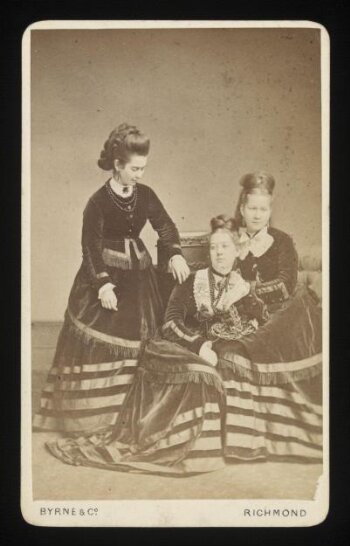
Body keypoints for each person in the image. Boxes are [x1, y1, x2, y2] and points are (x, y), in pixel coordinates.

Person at [46, 206, 322, 475]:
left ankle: (241, 441)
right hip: (179, 346)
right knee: (199, 372)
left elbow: (259, 321)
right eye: (214, 248)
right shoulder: (193, 280)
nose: (219, 254)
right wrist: (200, 345)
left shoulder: (244, 288)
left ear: (237, 251)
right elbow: (170, 323)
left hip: (218, 348)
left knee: (235, 362)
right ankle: (186, 446)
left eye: (225, 247)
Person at [33, 123, 190, 433]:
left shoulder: (146, 194)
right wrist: (103, 283)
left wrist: (174, 253)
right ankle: (97, 417)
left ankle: (135, 411)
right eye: (135, 168)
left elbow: (167, 227)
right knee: (105, 334)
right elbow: (89, 249)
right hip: (106, 278)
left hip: (141, 278)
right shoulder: (97, 202)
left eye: (144, 168)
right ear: (118, 165)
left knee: (146, 335)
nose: (140, 174)